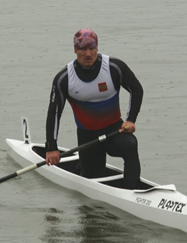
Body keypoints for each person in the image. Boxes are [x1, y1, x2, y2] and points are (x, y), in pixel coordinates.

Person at [45, 28, 143, 189]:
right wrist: (51, 147)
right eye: (83, 49)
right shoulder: (64, 78)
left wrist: (131, 120)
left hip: (114, 131)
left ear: (97, 48)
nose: (88, 53)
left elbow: (137, 90)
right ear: (76, 50)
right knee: (91, 177)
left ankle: (132, 191)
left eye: (92, 48)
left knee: (130, 144)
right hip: (88, 138)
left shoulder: (114, 68)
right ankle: (82, 167)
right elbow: (54, 113)